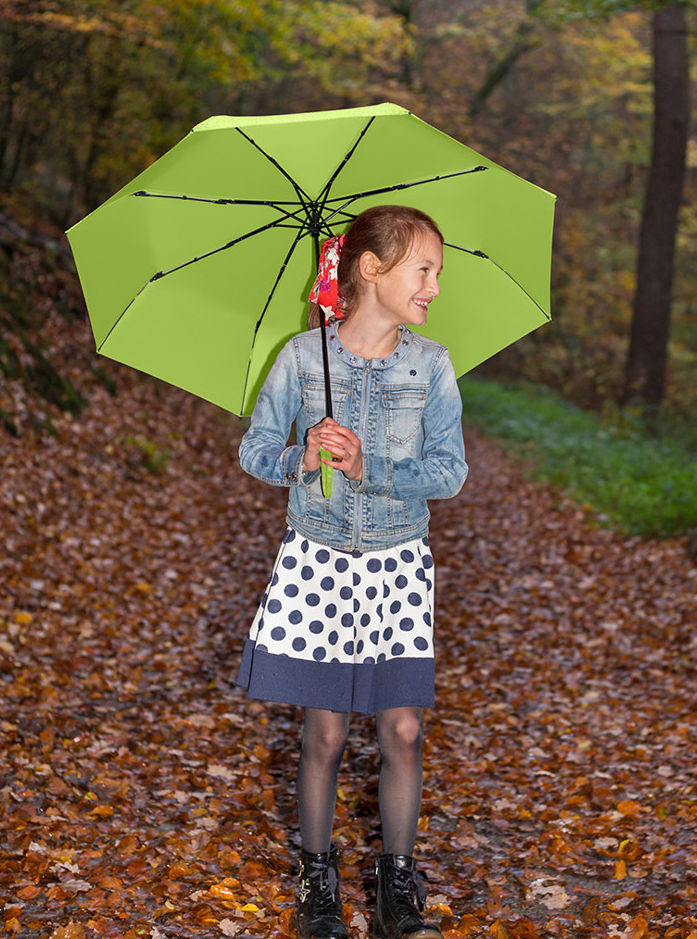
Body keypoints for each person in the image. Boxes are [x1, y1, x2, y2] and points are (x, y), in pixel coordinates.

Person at [236, 204, 468, 939]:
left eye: (437, 273)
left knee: (402, 728)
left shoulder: (432, 365)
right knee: (326, 732)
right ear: (371, 268)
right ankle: (317, 884)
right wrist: (301, 458)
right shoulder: (304, 358)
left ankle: (397, 887)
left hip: (399, 564)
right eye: (424, 269)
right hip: (320, 560)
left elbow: (450, 471)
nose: (434, 287)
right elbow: (254, 449)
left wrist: (373, 469)